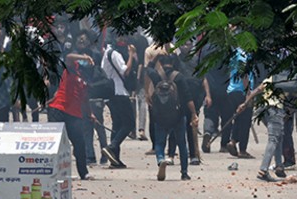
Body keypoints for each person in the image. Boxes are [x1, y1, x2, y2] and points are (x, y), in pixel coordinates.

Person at [146, 54, 198, 181]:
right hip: (177, 116)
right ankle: (184, 173)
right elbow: (188, 97)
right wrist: (193, 114)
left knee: (159, 142)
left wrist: (155, 58)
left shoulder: (157, 76)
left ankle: (160, 159)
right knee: (181, 143)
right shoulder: (179, 77)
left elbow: (147, 69)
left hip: (160, 116)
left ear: (162, 64)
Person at [47, 47, 93, 180]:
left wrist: (90, 114)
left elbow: (85, 100)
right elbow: (69, 57)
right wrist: (84, 57)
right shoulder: (70, 69)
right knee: (56, 142)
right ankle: (53, 171)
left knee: (79, 143)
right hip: (59, 109)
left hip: (74, 113)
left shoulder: (84, 80)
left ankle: (83, 172)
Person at [100, 35, 137, 169]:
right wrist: (131, 55)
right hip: (119, 92)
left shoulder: (107, 53)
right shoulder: (115, 54)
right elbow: (125, 71)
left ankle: (115, 159)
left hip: (111, 93)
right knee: (129, 123)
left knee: (117, 124)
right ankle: (112, 146)